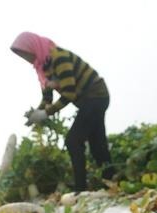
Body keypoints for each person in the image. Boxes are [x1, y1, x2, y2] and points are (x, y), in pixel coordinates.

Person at [11, 31, 116, 192]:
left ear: (33, 47)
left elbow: (69, 93)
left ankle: (81, 189)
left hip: (96, 96)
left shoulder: (59, 57)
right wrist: (36, 114)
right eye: (22, 56)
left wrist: (46, 113)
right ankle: (113, 182)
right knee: (97, 143)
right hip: (87, 101)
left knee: (73, 140)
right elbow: (47, 97)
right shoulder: (42, 67)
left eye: (26, 54)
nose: (26, 59)